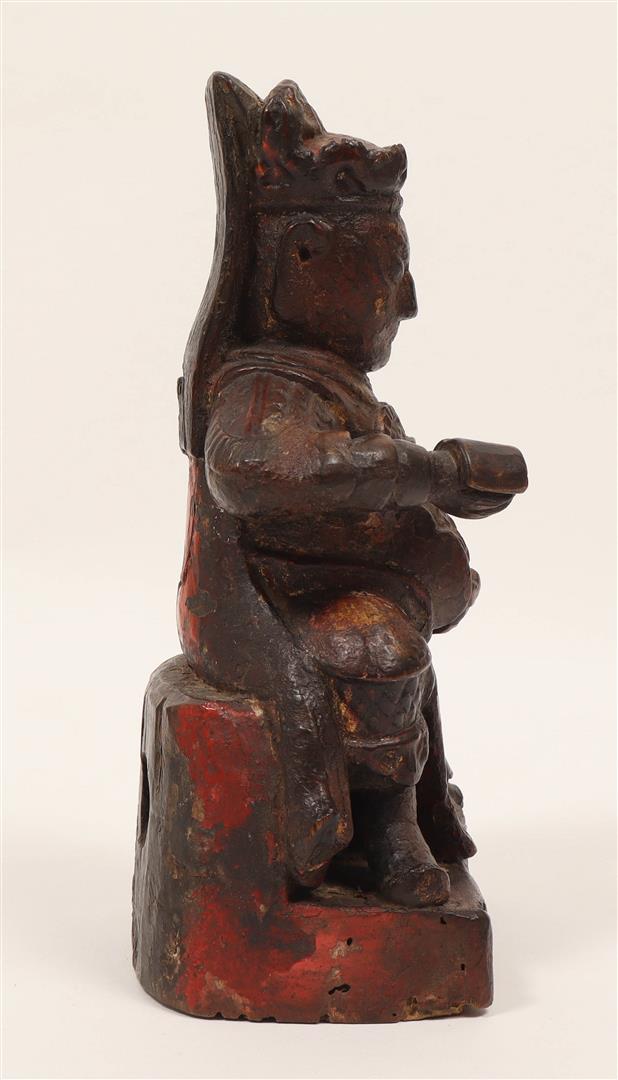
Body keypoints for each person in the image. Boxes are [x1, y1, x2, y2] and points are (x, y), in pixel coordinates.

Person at [177, 74, 527, 907]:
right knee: (375, 647)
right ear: (300, 259)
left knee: (386, 645)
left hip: (338, 582)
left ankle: (398, 816)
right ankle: (381, 832)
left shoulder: (329, 382)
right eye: (387, 269)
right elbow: (251, 471)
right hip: (270, 598)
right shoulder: (260, 384)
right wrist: (424, 473)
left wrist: (437, 498)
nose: (405, 301)